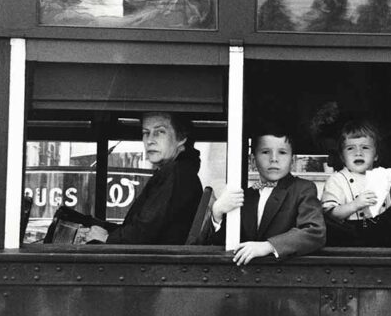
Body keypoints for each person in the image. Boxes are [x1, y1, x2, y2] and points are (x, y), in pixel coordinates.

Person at [207, 128, 326, 265]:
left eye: (282, 152)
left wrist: (268, 246)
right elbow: (220, 243)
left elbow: (314, 232)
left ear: (292, 160)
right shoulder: (245, 196)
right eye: (265, 152)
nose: (274, 159)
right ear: (253, 160)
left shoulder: (303, 188)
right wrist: (217, 213)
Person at [83, 112, 202, 244]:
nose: (149, 141)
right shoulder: (178, 171)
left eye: (159, 132)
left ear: (181, 137)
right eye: (146, 133)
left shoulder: (176, 172)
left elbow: (144, 231)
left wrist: (107, 238)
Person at [320, 119, 391, 246]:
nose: (358, 153)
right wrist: (355, 204)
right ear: (342, 157)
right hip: (350, 237)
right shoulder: (337, 180)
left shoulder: (379, 176)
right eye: (350, 148)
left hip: (379, 234)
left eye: (365, 147)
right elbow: (331, 214)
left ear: (376, 155)